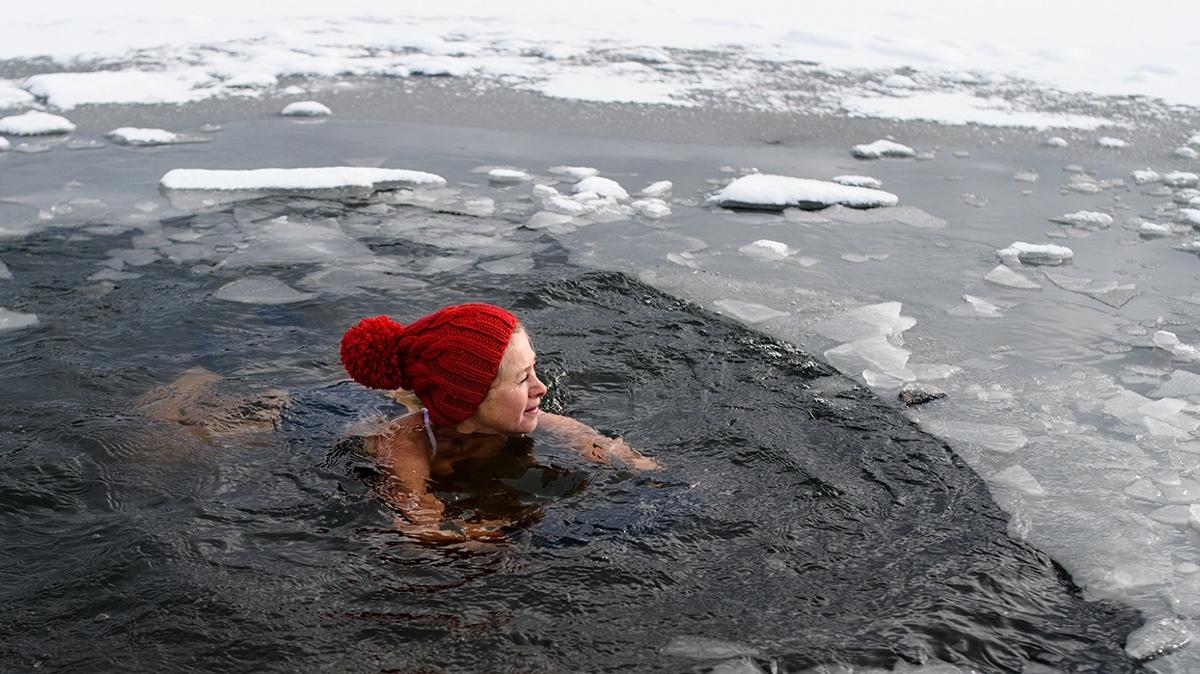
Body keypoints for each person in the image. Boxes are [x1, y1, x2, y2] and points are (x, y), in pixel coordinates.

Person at [339, 302, 660, 542]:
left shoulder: (527, 417)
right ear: (470, 403)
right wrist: (501, 533)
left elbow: (594, 443)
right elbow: (420, 526)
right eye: (523, 379)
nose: (542, 387)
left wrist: (648, 474)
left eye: (535, 369)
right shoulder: (405, 445)